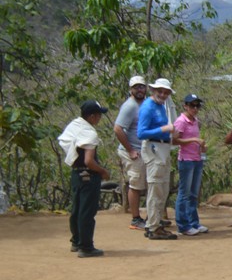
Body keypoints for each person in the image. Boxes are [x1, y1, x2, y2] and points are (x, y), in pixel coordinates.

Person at [57, 100, 111, 257]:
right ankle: (86, 246)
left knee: (77, 209)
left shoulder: (74, 126)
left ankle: (76, 241)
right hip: (88, 174)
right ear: (92, 117)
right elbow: (89, 161)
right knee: (87, 211)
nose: (100, 118)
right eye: (99, 115)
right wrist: (103, 171)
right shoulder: (89, 133)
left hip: (76, 173)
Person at [137, 77, 179, 240]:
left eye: (166, 92)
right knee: (156, 188)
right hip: (153, 148)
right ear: (153, 90)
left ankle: (155, 223)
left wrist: (170, 132)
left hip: (163, 147)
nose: (163, 94)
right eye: (160, 91)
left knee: (162, 188)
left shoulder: (161, 106)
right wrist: (164, 129)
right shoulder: (148, 106)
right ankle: (153, 227)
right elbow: (141, 133)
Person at [113, 76, 148, 229]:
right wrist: (130, 150)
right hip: (133, 151)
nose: (139, 90)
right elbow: (118, 128)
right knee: (136, 184)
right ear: (131, 89)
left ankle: (151, 217)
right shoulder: (130, 106)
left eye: (142, 86)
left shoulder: (147, 103)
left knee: (145, 183)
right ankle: (135, 218)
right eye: (136, 87)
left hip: (145, 150)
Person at [174, 94, 208, 236]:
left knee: (193, 194)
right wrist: (193, 139)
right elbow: (174, 140)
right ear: (185, 106)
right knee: (184, 193)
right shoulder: (181, 121)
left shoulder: (195, 121)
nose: (195, 108)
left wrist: (201, 147)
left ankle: (193, 222)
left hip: (196, 159)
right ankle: (183, 225)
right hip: (186, 161)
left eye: (197, 106)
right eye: (192, 105)